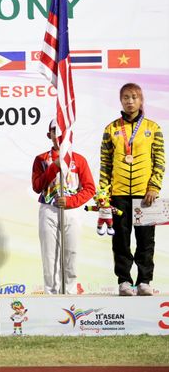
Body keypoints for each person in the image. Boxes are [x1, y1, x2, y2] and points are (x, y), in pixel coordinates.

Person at [99, 83, 164, 296]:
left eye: (134, 97)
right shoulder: (111, 129)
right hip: (117, 194)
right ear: (120, 100)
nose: (130, 101)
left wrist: (154, 186)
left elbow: (160, 161)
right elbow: (105, 164)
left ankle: (144, 280)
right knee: (120, 240)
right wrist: (104, 193)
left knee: (146, 240)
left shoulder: (153, 128)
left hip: (145, 194)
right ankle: (124, 281)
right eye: (126, 97)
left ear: (141, 100)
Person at [31, 121, 95, 295]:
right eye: (54, 131)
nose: (58, 135)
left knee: (71, 253)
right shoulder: (41, 159)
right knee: (50, 255)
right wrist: (53, 167)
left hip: (71, 211)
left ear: (69, 135)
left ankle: (70, 293)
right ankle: (51, 293)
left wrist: (71, 201)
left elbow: (90, 188)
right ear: (49, 135)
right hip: (48, 209)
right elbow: (37, 186)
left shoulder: (79, 160)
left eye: (62, 132)